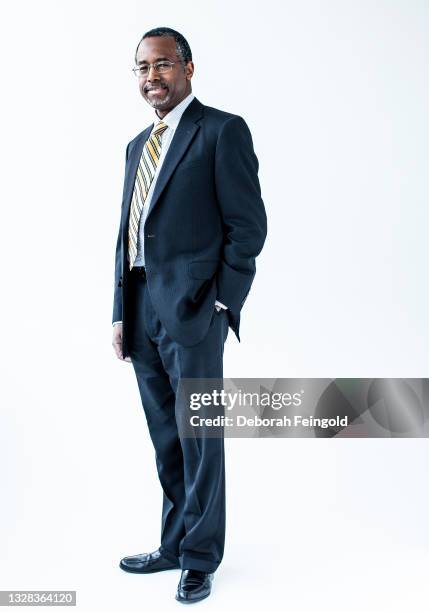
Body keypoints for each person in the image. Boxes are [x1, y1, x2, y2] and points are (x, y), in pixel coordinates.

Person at [111, 26, 267, 604]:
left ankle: (201, 558)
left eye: (163, 65)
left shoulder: (221, 131)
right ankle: (174, 542)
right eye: (142, 68)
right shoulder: (136, 145)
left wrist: (224, 302)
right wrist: (118, 311)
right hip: (143, 308)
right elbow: (126, 236)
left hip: (197, 309)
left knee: (200, 436)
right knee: (165, 437)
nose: (152, 76)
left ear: (188, 67)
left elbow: (248, 225)